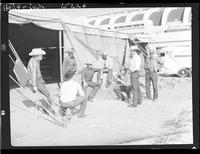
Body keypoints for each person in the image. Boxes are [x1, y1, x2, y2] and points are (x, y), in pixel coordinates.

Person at [27, 48, 54, 113]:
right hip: (37, 81)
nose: (42, 56)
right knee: (47, 94)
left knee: (45, 95)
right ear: (37, 55)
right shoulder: (33, 62)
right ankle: (48, 109)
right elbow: (33, 74)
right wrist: (34, 86)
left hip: (39, 80)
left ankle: (43, 108)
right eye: (41, 55)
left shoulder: (35, 61)